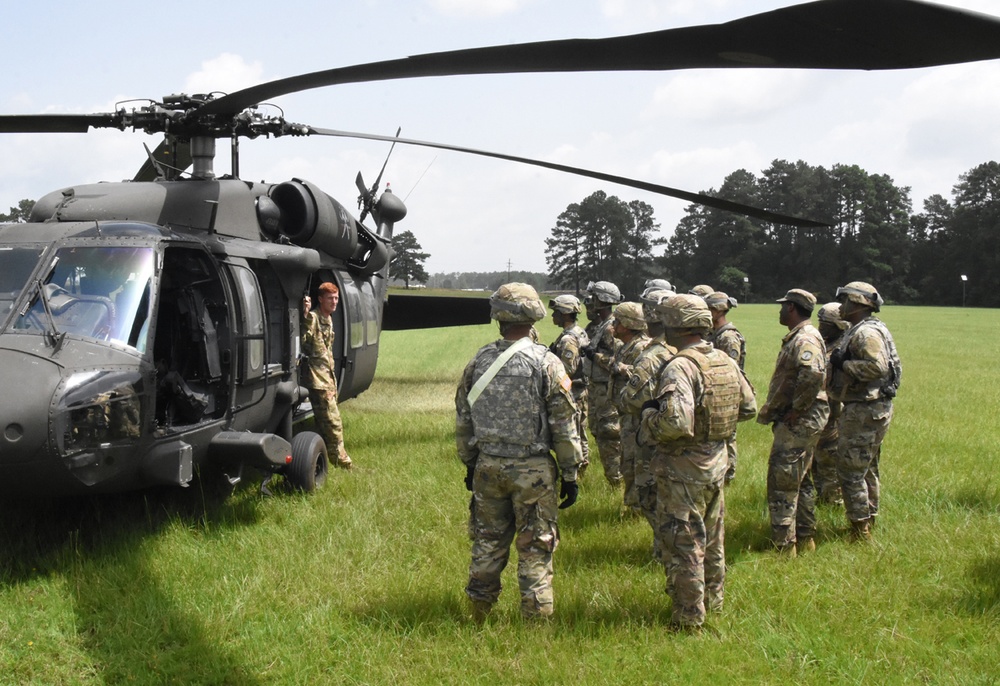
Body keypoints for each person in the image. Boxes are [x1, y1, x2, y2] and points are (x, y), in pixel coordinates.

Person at [456, 283, 583, 621]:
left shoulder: (478, 361)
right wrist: (570, 473)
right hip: (533, 473)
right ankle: (536, 625)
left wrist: (471, 462)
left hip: (488, 467)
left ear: (499, 316)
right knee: (535, 549)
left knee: (487, 543)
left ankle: (478, 613)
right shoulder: (547, 363)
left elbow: (463, 418)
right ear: (533, 316)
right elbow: (564, 425)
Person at [640, 294, 756, 632]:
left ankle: (689, 618)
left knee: (684, 543)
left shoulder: (680, 365)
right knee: (712, 539)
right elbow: (748, 407)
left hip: (683, 470)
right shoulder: (722, 359)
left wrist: (649, 418)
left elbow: (676, 423)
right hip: (716, 462)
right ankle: (713, 602)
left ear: (676, 325)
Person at [756, 289, 830, 556]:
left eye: (783, 306)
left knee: (783, 481)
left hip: (800, 422)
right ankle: (806, 536)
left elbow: (811, 373)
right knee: (802, 478)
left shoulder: (805, 338)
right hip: (806, 419)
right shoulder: (803, 336)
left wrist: (797, 409)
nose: (779, 311)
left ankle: (785, 546)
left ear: (792, 308)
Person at [828, 281, 902, 541]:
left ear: (858, 304)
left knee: (850, 470)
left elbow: (877, 368)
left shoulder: (866, 333)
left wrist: (844, 364)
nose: (841, 305)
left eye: (845, 300)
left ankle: (860, 528)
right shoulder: (863, 328)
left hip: (864, 408)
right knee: (866, 467)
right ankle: (868, 518)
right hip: (870, 407)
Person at [618, 287, 676, 552]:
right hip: (684, 437)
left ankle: (665, 551)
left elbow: (629, 399)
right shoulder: (689, 348)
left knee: (651, 495)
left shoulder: (653, 355)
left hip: (654, 435)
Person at [301, 281, 352, 469]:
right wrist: (305, 315)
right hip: (319, 381)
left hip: (328, 379)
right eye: (330, 298)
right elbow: (304, 341)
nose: (334, 302)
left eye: (336, 298)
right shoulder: (314, 318)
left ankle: (318, 461)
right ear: (320, 299)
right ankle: (343, 463)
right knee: (333, 423)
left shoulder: (328, 318)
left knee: (324, 424)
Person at [607, 302, 651, 515]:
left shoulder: (641, 347)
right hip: (626, 413)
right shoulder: (625, 345)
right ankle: (633, 504)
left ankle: (637, 508)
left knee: (635, 462)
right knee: (627, 461)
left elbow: (647, 375)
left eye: (617, 321)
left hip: (637, 415)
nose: (613, 325)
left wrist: (625, 370)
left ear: (627, 324)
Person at [582, 280, 624, 488]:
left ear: (602, 300)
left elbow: (618, 363)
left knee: (609, 433)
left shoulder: (611, 328)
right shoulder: (599, 326)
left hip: (607, 388)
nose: (591, 300)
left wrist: (595, 356)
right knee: (599, 431)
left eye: (595, 297)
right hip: (596, 388)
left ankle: (618, 480)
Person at [704, 291, 746, 484]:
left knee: (727, 435)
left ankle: (728, 475)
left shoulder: (728, 337)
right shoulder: (715, 334)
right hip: (715, 393)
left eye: (710, 308)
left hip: (727, 394)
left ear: (719, 310)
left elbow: (731, 369)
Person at [549, 294, 591, 474]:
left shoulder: (568, 339)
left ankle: (579, 468)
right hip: (578, 390)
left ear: (565, 314)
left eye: (556, 312)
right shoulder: (578, 332)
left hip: (573, 393)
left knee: (575, 432)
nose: (553, 316)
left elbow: (566, 371)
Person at [813, 302, 849, 505]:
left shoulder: (842, 350)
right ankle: (821, 498)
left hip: (835, 414)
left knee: (829, 459)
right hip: (819, 414)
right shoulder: (823, 345)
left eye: (825, 323)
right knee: (817, 460)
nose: (821, 327)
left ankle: (833, 501)